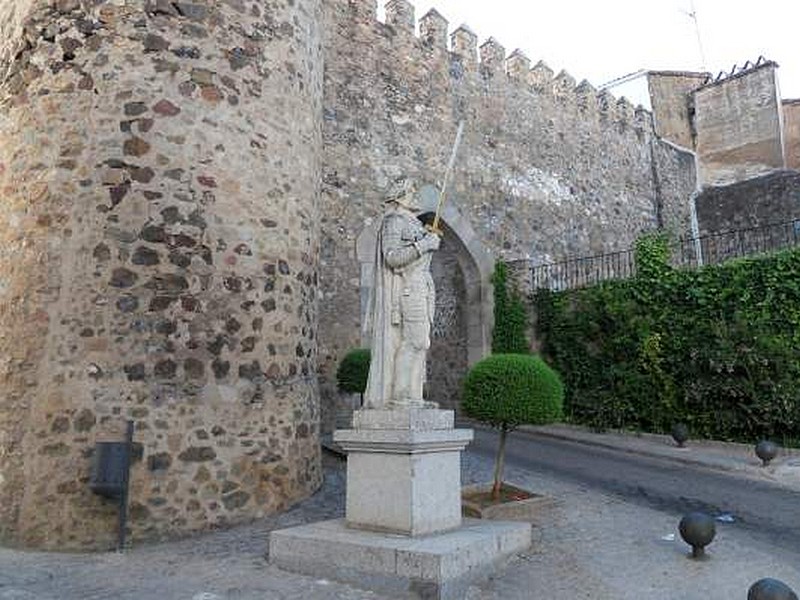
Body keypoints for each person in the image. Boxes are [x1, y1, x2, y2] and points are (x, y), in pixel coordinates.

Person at [363, 179, 440, 409]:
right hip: (407, 289)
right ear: (399, 196)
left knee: (422, 342)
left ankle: (414, 396)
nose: (415, 194)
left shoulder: (413, 223)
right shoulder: (394, 221)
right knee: (413, 340)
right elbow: (392, 257)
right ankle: (400, 396)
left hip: (422, 287)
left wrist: (427, 241)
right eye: (411, 191)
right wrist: (424, 245)